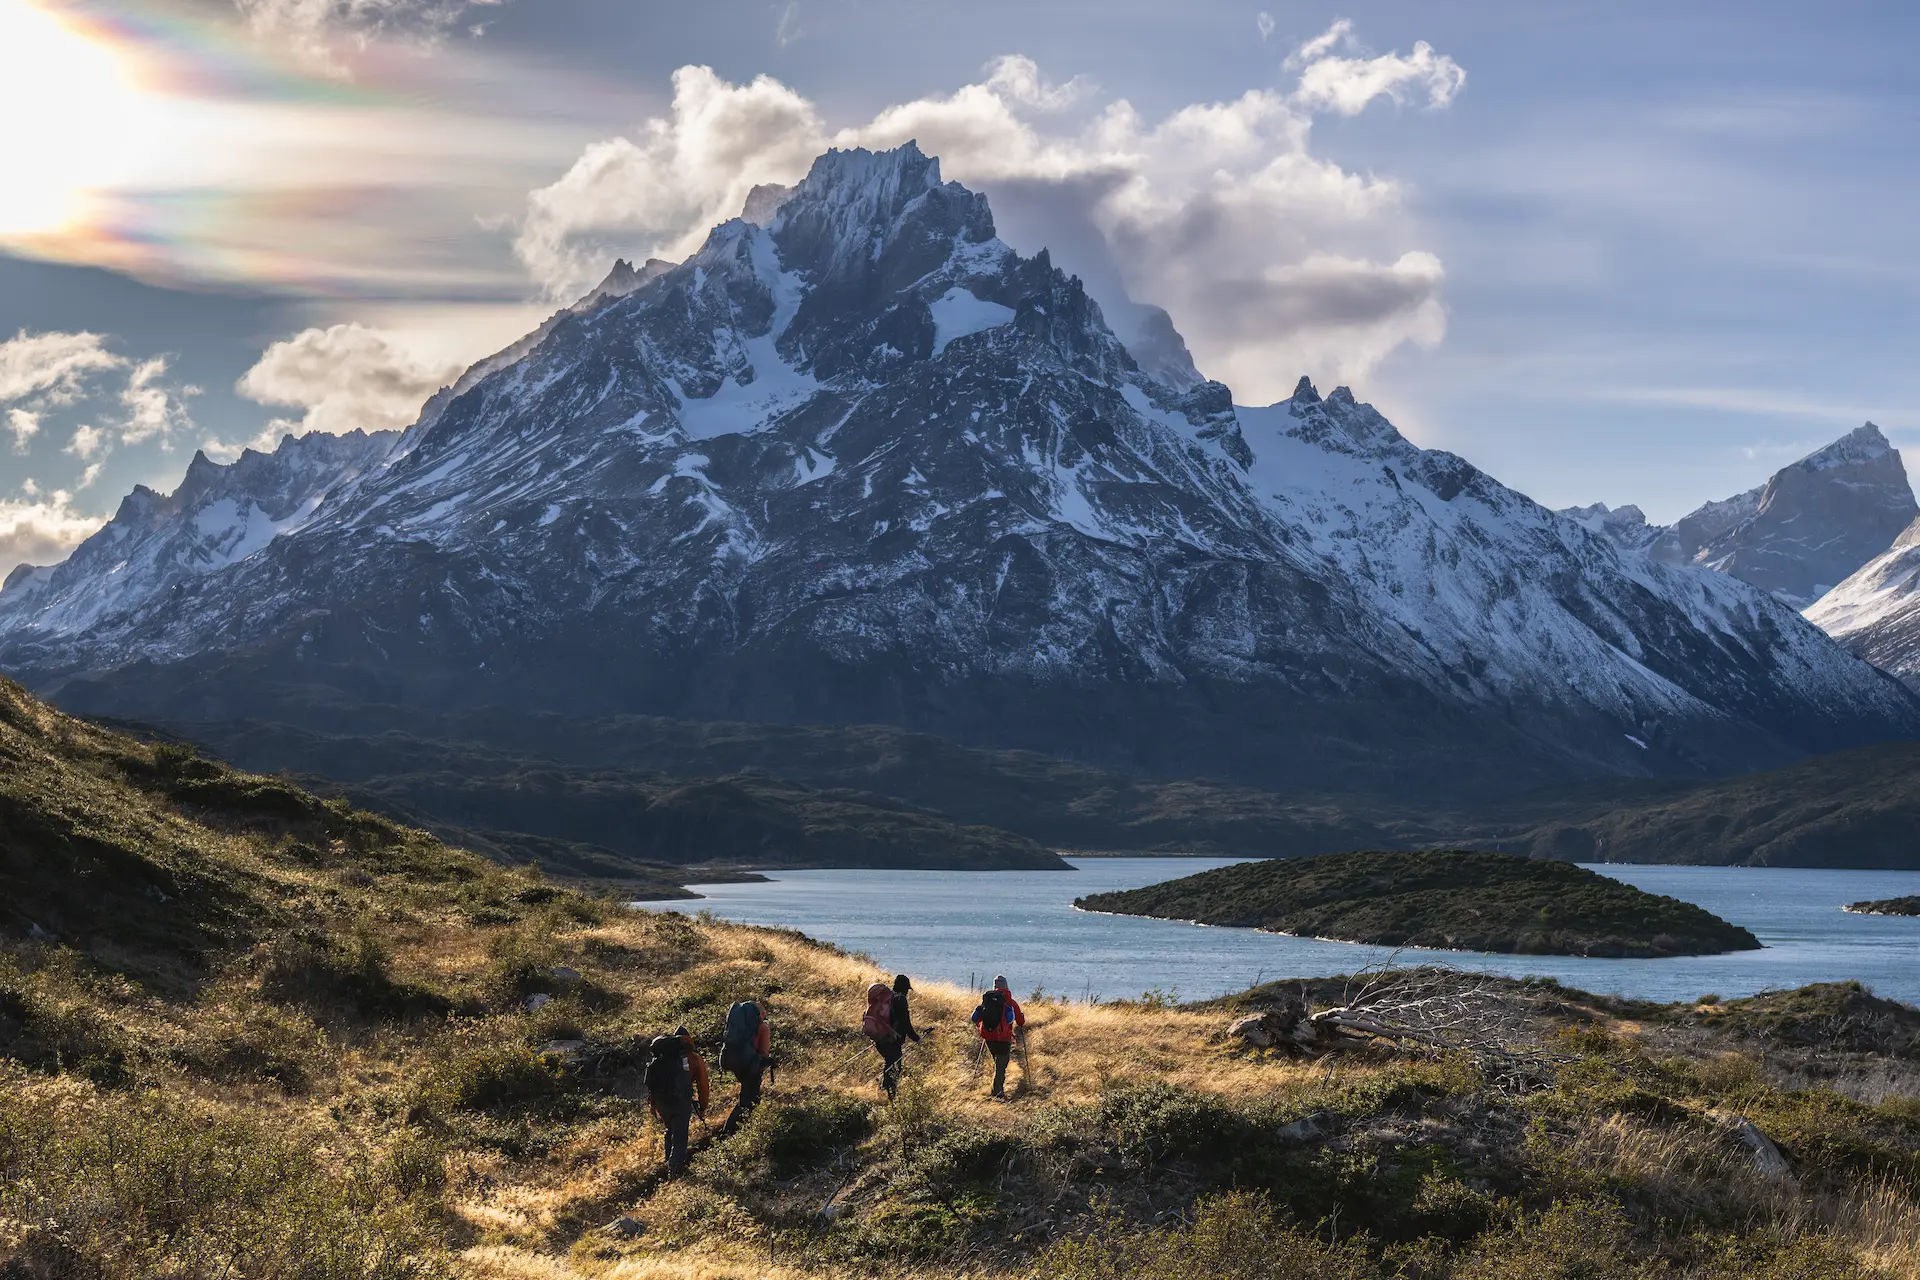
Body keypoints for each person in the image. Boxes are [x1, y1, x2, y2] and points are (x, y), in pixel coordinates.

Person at [644, 1024, 710, 1176]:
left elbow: (653, 1084)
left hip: (662, 1101)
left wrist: (654, 1105)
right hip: (680, 1102)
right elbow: (702, 1084)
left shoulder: (661, 1057)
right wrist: (703, 1105)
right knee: (680, 1135)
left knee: (670, 1130)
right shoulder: (693, 1058)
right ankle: (676, 1170)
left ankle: (669, 1162)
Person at [719, 997, 773, 1136]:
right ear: (759, 1014)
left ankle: (737, 1131)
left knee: (748, 1097)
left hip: (737, 1064)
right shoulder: (763, 1028)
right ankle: (730, 1132)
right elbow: (764, 1052)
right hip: (752, 1066)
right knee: (749, 1101)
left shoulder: (740, 1028)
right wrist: (761, 1066)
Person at [864, 973, 920, 1100]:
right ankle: (889, 1095)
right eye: (907, 989)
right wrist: (916, 1038)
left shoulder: (888, 998)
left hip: (880, 1038)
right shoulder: (901, 999)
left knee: (890, 1063)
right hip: (892, 1040)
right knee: (895, 1067)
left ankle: (885, 1089)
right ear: (904, 988)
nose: (907, 992)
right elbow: (906, 1022)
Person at [970, 975, 1024, 1098]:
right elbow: (1020, 1021)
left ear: (994, 986)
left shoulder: (987, 999)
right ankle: (997, 1093)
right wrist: (1021, 1019)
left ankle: (996, 1089)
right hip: (1004, 1038)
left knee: (998, 1061)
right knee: (1001, 1065)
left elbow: (977, 1017)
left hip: (988, 1037)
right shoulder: (1010, 1001)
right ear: (1006, 986)